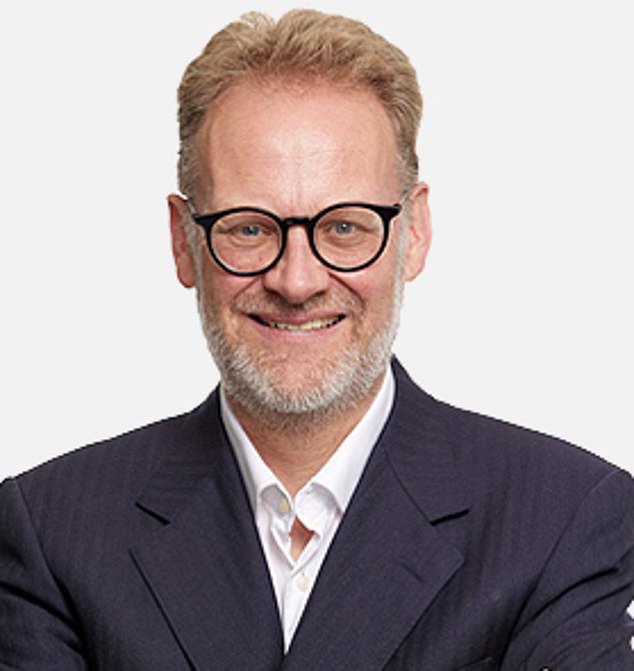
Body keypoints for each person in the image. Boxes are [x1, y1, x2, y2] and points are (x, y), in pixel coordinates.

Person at [0, 8, 632, 670]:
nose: (296, 281)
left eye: (345, 227)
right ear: (183, 241)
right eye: (248, 228)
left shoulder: (561, 518)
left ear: (414, 232)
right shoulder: (54, 532)